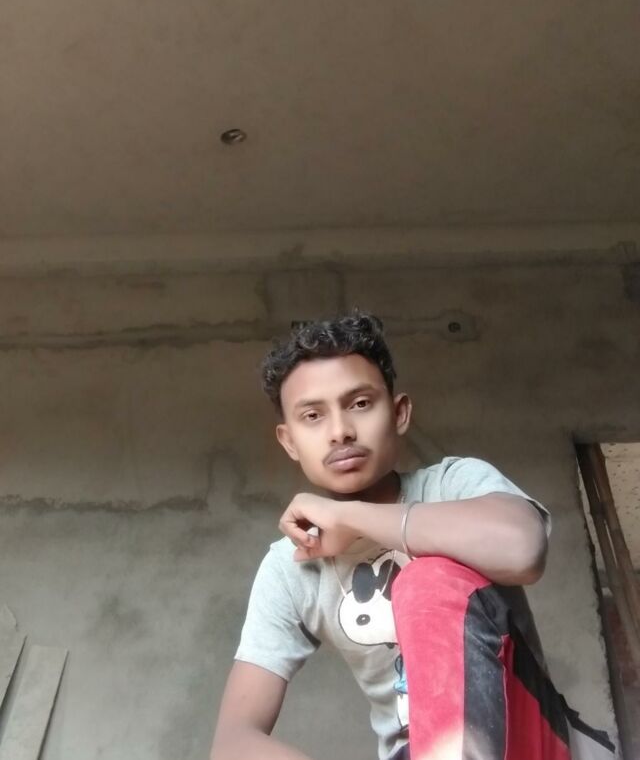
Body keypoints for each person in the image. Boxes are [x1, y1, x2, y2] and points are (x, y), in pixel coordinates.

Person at [209, 311, 615, 760]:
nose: (340, 431)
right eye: (313, 416)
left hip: (531, 738)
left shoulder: (454, 485)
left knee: (426, 583)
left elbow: (524, 550)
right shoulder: (290, 567)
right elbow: (234, 743)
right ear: (289, 441)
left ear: (399, 413)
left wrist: (351, 517)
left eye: (359, 404)